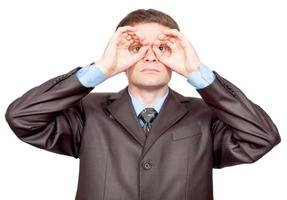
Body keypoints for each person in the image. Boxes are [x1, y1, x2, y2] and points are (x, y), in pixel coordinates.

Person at [5, 8, 281, 200]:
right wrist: (101, 68)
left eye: (162, 49)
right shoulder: (86, 112)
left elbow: (262, 137)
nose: (150, 57)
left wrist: (197, 72)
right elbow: (22, 118)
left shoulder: (206, 115)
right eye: (136, 48)